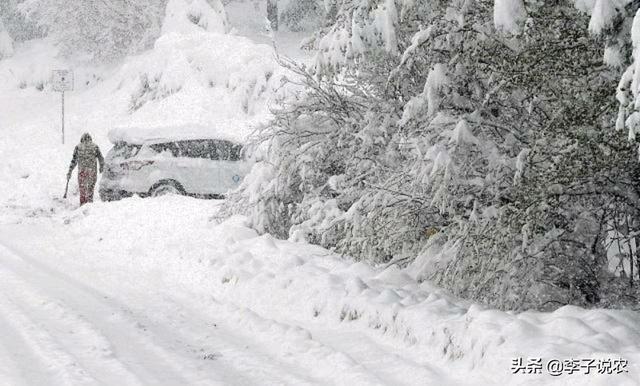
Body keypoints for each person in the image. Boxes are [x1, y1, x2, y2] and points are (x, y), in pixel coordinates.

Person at [67, 133, 104, 206]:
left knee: (82, 189)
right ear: (90, 139)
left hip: (82, 171)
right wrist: (101, 167)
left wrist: (70, 172)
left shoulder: (78, 147)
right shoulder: (95, 146)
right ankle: (89, 204)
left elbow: (73, 161)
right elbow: (101, 158)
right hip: (92, 171)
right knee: (90, 189)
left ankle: (83, 204)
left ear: (81, 140)